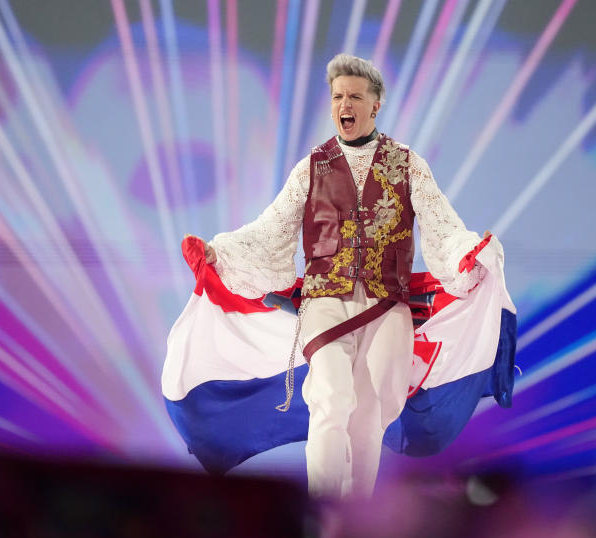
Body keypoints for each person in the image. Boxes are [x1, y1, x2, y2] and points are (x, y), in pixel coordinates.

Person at [184, 53, 503, 499]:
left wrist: (470, 253)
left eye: (354, 96)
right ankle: (321, 515)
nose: (343, 104)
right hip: (325, 301)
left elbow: (442, 226)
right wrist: (222, 251)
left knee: (369, 416)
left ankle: (353, 524)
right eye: (337, 96)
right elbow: (271, 228)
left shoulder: (409, 165)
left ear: (375, 106)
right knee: (331, 399)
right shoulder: (311, 167)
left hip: (386, 305)